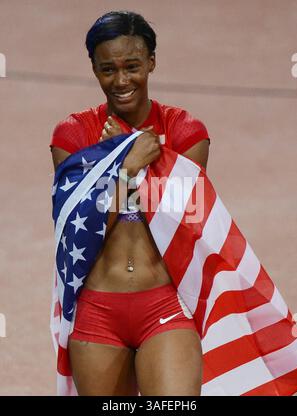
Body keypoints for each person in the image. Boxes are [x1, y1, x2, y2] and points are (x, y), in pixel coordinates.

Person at [50, 10, 210, 396]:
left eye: (132, 66)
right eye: (107, 69)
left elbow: (180, 215)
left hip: (164, 307)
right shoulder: (72, 136)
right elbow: (79, 227)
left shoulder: (186, 132)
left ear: (151, 62)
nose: (121, 81)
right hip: (98, 312)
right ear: (93, 68)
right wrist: (126, 162)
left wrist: (117, 158)